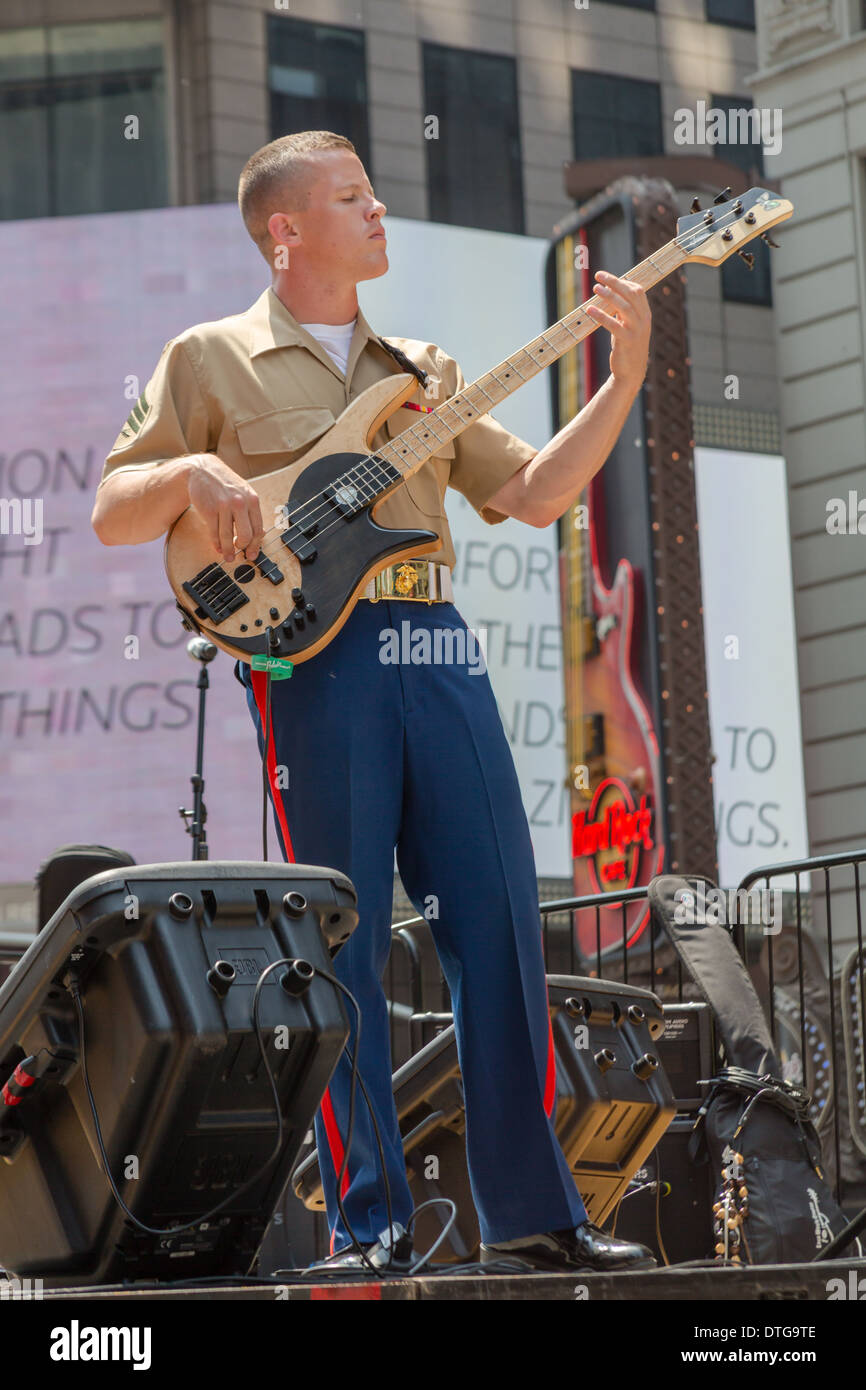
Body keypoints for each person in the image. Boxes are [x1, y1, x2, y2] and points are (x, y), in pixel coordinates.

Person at [92, 131, 655, 1274]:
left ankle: (535, 1218)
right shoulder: (207, 357)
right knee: (336, 945)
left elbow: (539, 494)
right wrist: (189, 475)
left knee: (497, 927)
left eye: (374, 193)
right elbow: (113, 507)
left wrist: (623, 373)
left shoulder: (426, 369)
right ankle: (372, 1225)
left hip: (434, 642)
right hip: (313, 668)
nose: (379, 209)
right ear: (284, 229)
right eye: (352, 198)